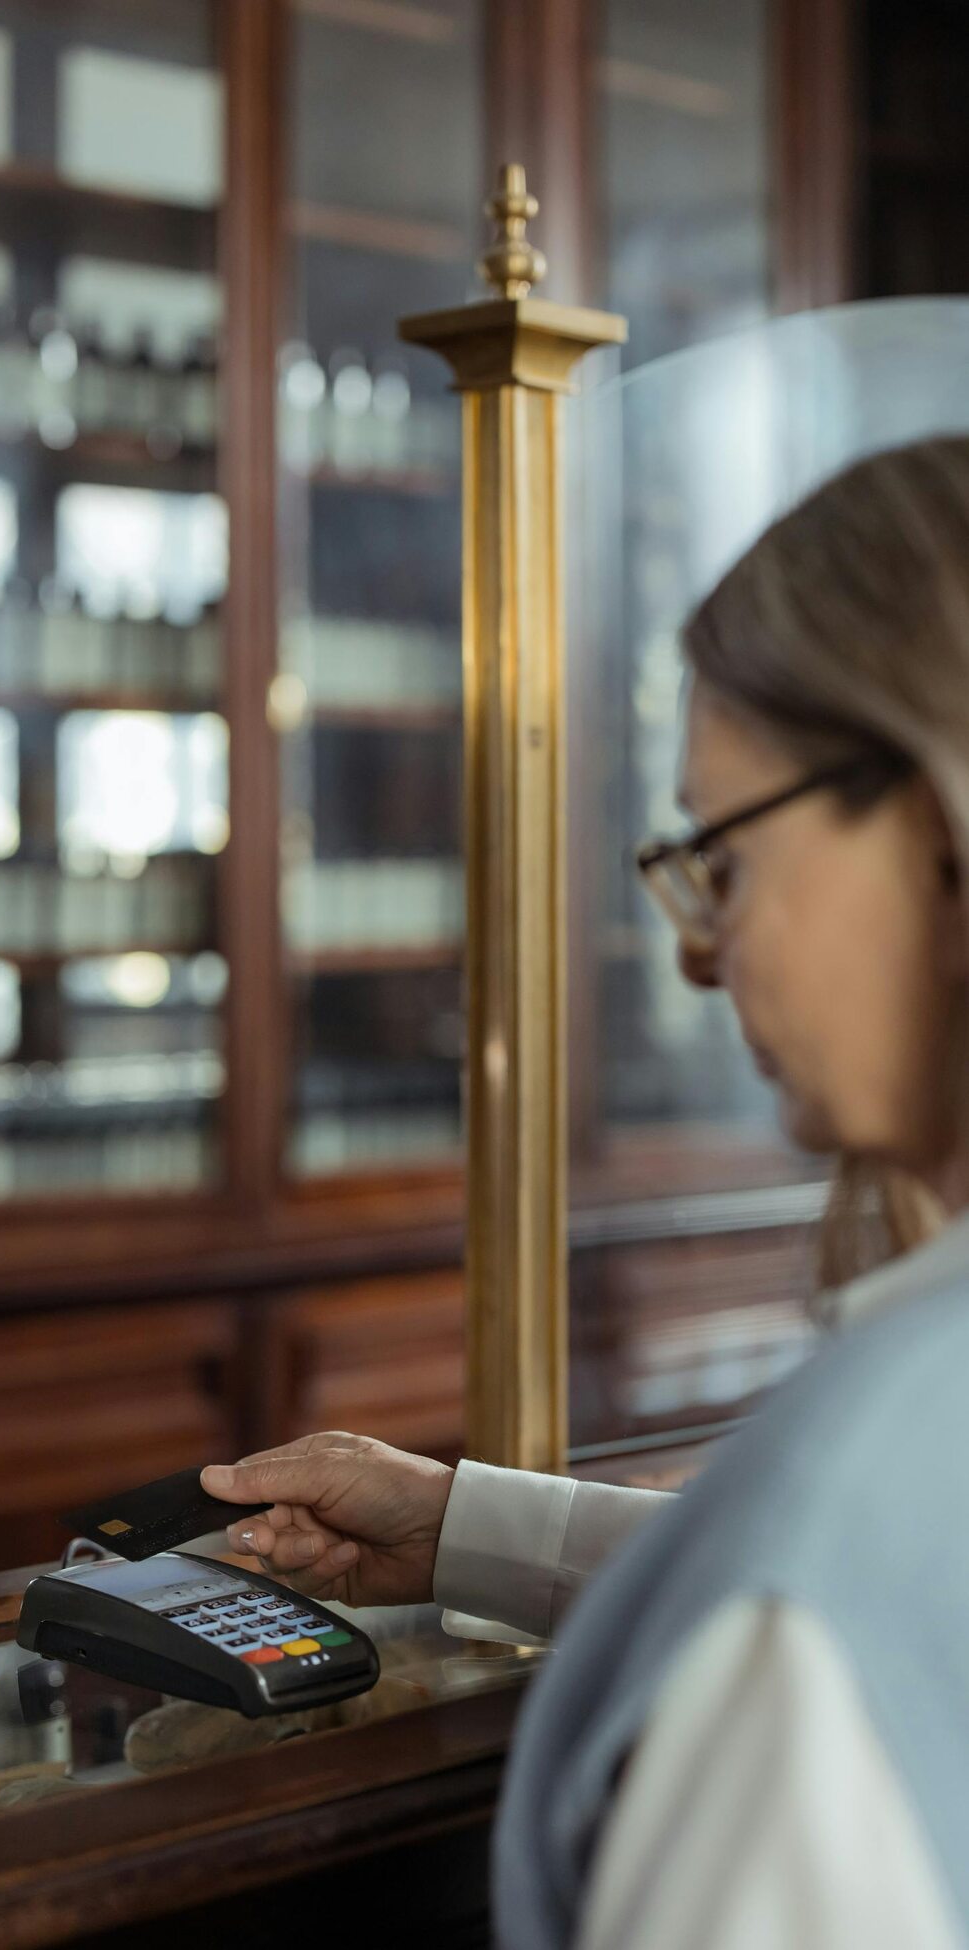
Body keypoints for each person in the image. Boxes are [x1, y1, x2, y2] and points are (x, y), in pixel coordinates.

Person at [203, 437, 969, 1948]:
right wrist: (457, 1522)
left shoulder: (798, 1631)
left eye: (725, 865)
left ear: (940, 833)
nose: (694, 949)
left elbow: (805, 1602)